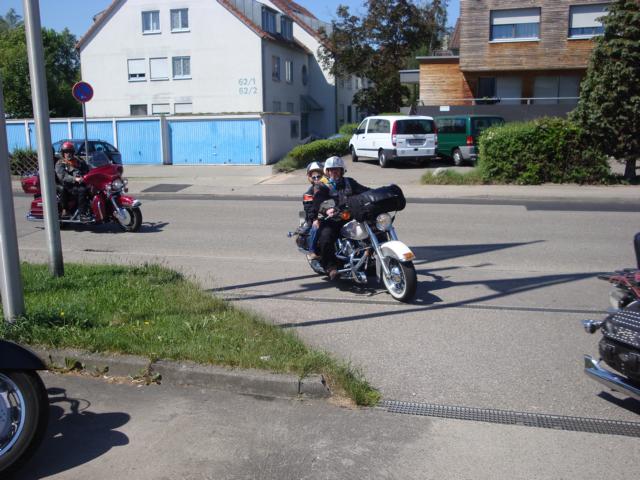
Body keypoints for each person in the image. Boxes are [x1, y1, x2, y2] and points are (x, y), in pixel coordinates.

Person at [310, 156, 369, 280]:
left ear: (342, 170)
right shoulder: (322, 185)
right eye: (331, 170)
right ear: (327, 171)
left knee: (374, 226)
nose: (334, 172)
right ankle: (330, 267)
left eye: (337, 169)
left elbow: (365, 191)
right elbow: (318, 200)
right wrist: (326, 209)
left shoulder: (349, 182)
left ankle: (371, 255)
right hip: (332, 219)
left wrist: (378, 195)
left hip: (350, 215)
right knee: (326, 236)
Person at [55, 141, 91, 221]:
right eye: (66, 152)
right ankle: (82, 214)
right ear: (63, 153)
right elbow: (63, 176)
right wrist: (75, 179)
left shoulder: (78, 160)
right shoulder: (60, 163)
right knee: (82, 190)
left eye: (70, 151)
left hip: (81, 182)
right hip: (68, 185)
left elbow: (88, 168)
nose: (68, 154)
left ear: (73, 152)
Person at [302, 161, 327, 259]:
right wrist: (315, 219)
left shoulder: (329, 187)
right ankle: (312, 251)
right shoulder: (308, 193)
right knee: (316, 226)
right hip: (315, 217)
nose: (316, 179)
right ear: (310, 178)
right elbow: (309, 209)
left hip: (330, 214)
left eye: (319, 176)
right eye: (314, 177)